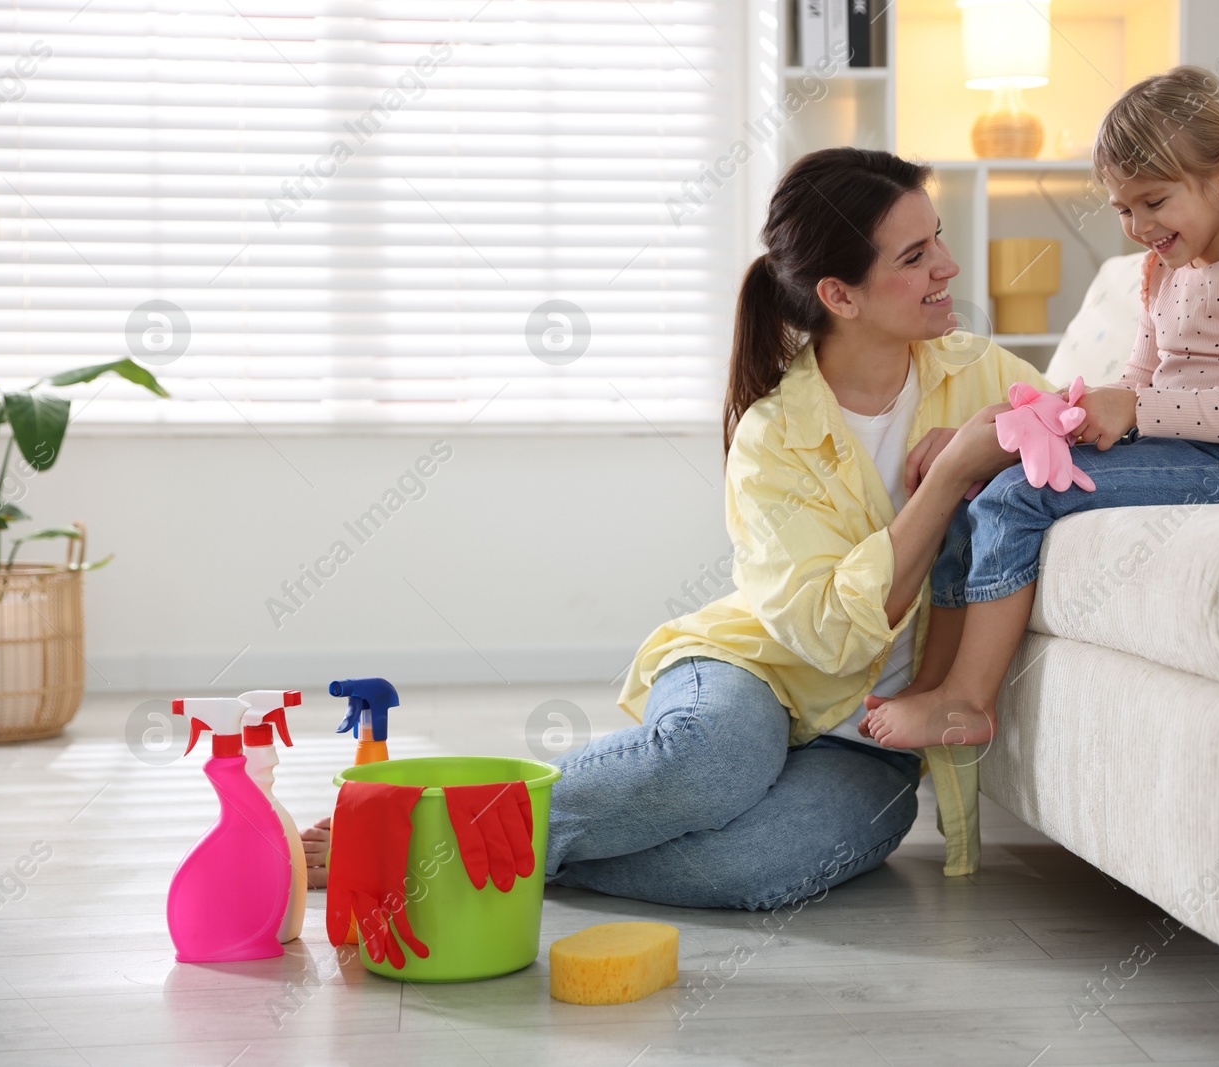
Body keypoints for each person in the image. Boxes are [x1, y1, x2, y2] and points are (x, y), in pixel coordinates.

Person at [298, 148, 1042, 895]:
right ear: (839, 296)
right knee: (711, 762)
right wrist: (947, 480)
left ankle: (480, 848)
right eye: (916, 255)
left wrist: (1062, 426)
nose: (948, 265)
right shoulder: (773, 434)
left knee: (758, 867)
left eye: (937, 237)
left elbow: (1083, 442)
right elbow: (827, 633)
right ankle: (422, 831)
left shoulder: (980, 373)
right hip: (755, 673)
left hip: (872, 744)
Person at [859, 64, 1219, 750]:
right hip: (1179, 449)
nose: (1137, 225)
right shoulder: (1166, 270)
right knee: (982, 481)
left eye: (1154, 202)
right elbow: (1140, 376)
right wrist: (1059, 417)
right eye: (1123, 208)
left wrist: (1134, 408)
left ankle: (967, 700)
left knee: (1019, 496)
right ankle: (935, 682)